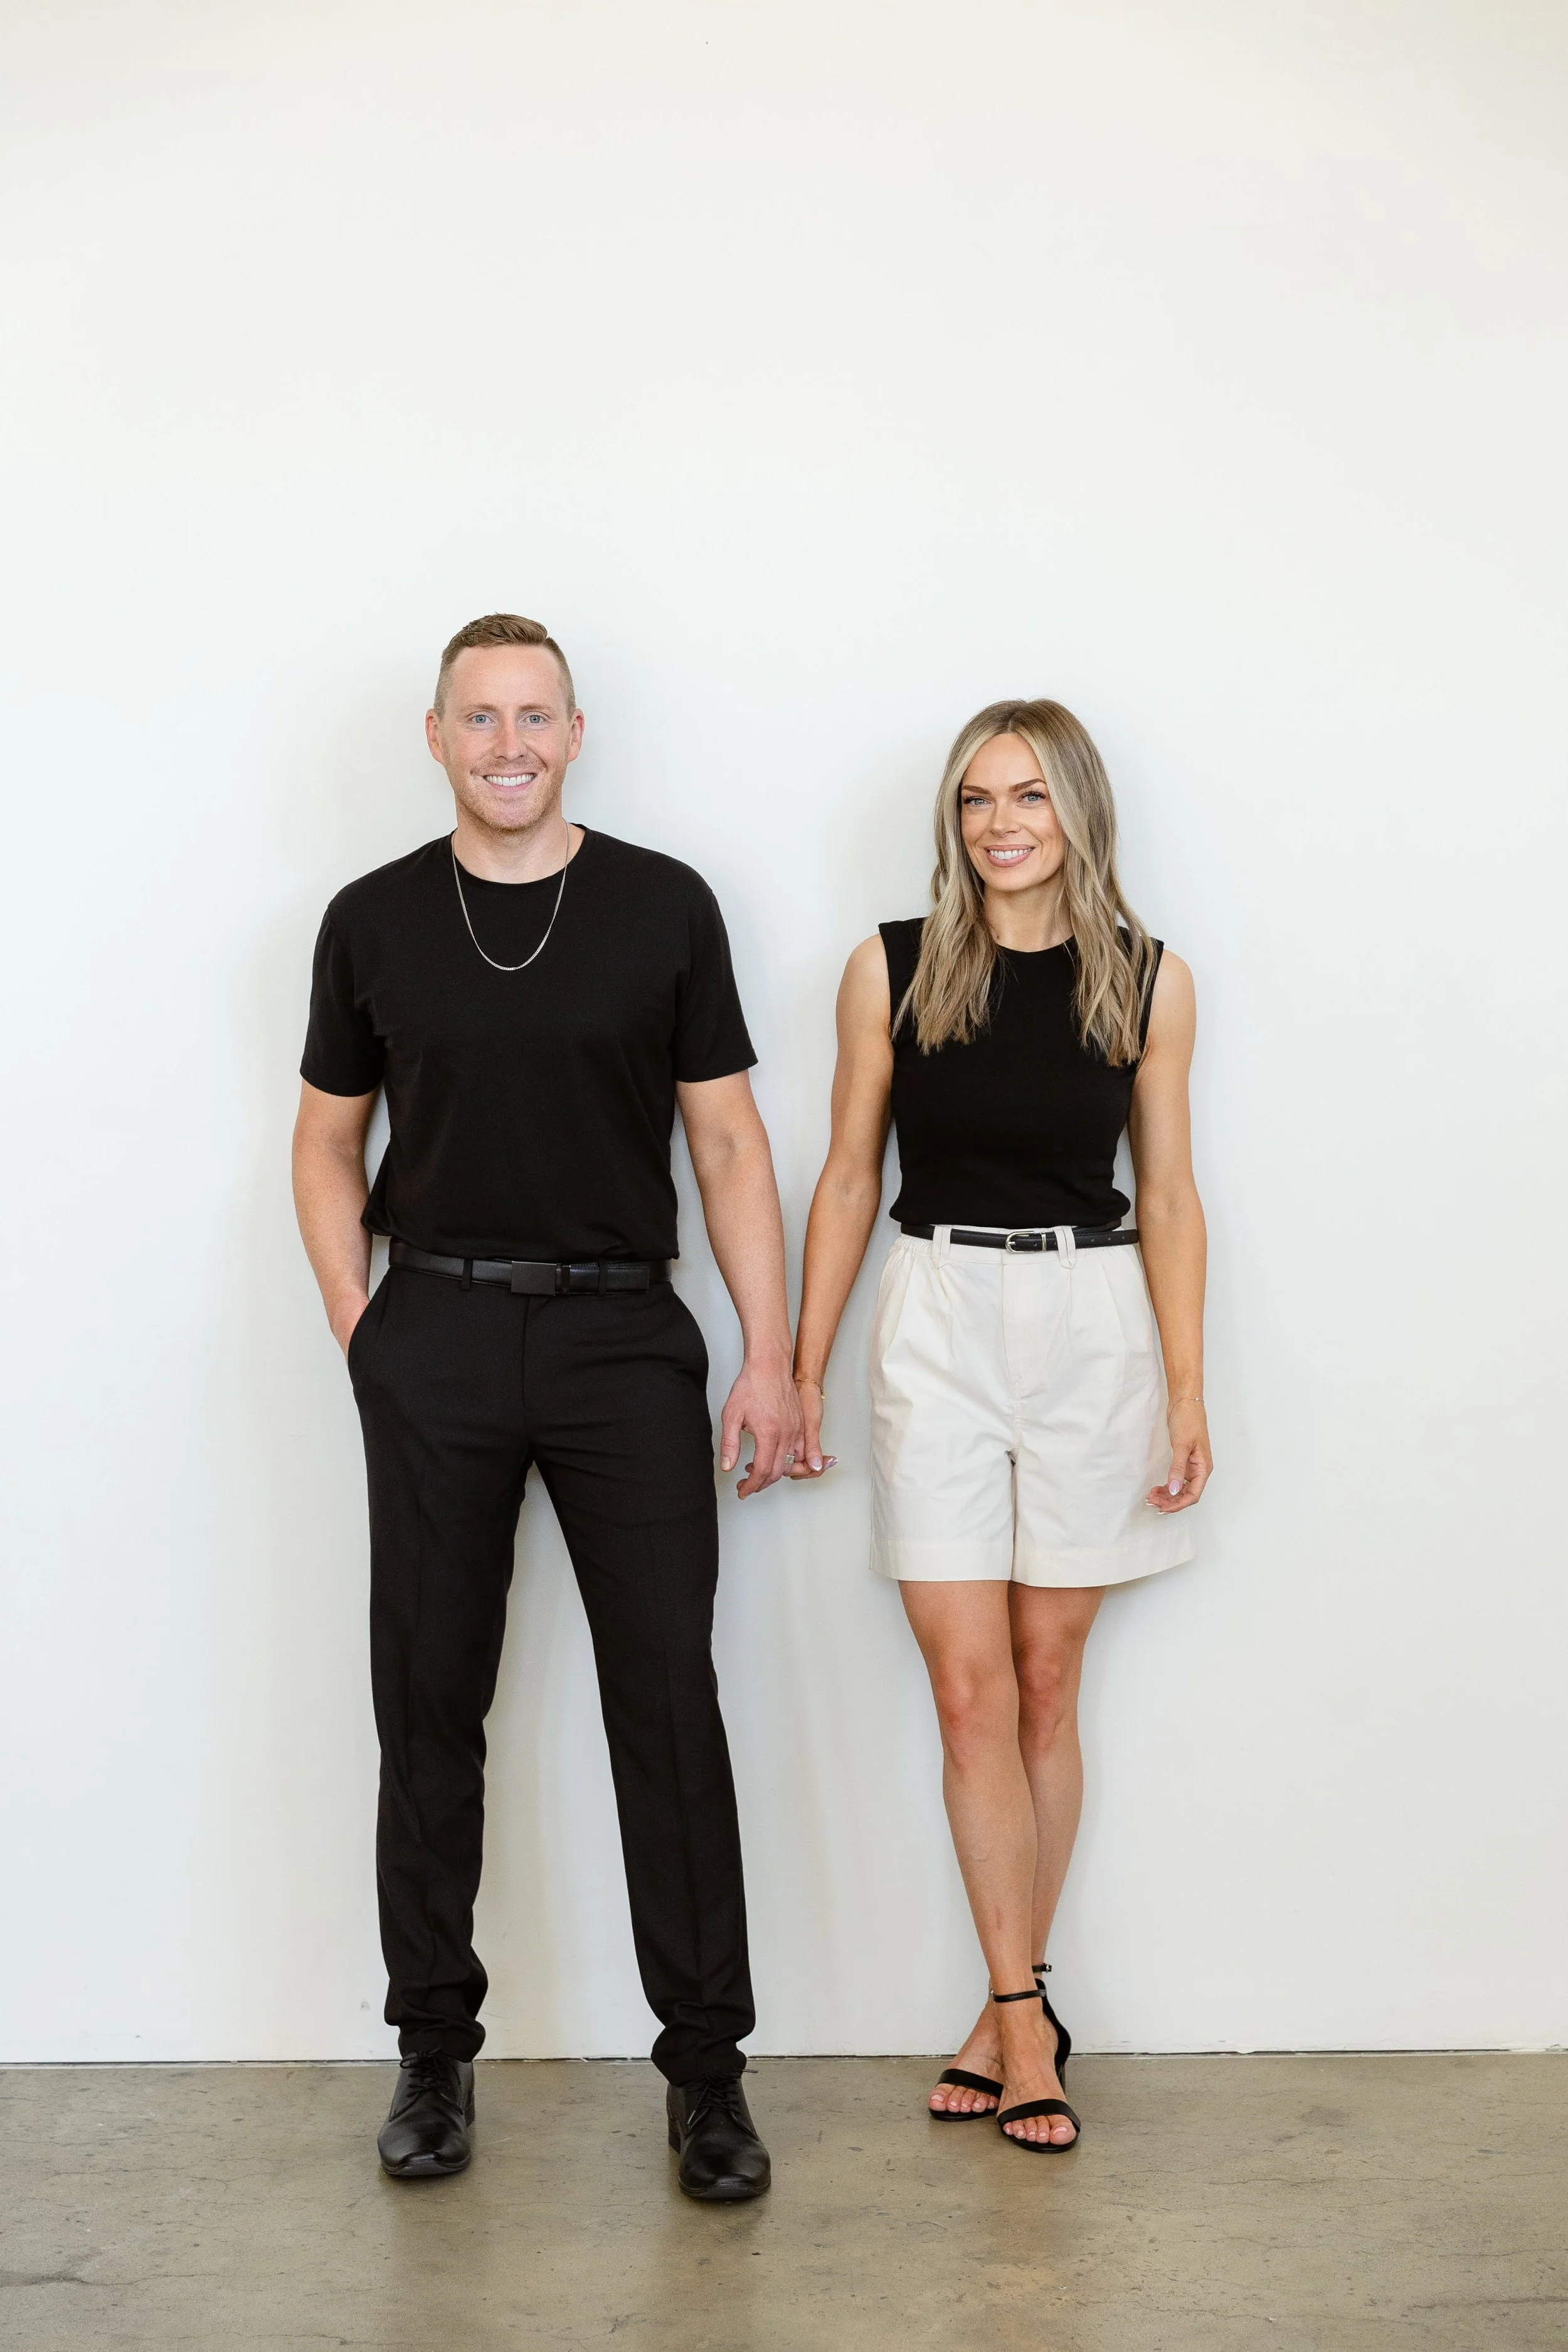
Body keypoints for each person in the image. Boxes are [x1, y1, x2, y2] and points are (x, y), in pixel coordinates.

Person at [292, 613, 800, 2198]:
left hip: (619, 1342)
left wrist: (770, 1355)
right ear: (433, 735)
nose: (507, 742)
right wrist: (362, 1326)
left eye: (534, 715)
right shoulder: (370, 918)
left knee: (668, 1705)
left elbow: (725, 1144)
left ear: (575, 731)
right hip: (432, 1330)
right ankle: (432, 2054)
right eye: (478, 716)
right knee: (428, 1705)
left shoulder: (662, 905)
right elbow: (323, 1141)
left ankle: (705, 2077)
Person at [788, 700, 1210, 2153]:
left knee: (1044, 1677)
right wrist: (795, 1360)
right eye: (974, 798)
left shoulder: (1146, 981)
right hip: (936, 1311)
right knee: (966, 1686)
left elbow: (1165, 1194)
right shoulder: (889, 966)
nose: (997, 823)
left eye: (1026, 795)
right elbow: (847, 1175)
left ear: (1076, 809)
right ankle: (1024, 2009)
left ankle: (1004, 2002)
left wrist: (1187, 1382)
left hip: (1092, 1324)